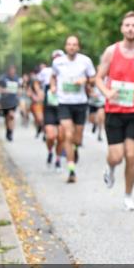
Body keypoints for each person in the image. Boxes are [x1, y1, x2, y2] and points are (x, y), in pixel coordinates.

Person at [96, 11, 134, 211]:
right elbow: (98, 78)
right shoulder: (111, 52)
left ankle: (128, 196)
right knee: (117, 156)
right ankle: (111, 167)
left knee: (132, 155)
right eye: (127, 25)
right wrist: (106, 92)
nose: (130, 28)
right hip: (114, 111)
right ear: (122, 28)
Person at [52, 36, 96, 184]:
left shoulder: (86, 61)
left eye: (74, 45)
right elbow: (53, 76)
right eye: (69, 44)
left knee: (77, 138)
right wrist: (53, 86)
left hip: (80, 103)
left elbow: (93, 78)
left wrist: (84, 80)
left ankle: (75, 148)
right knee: (67, 135)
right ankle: (71, 170)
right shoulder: (58, 62)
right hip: (64, 102)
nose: (71, 47)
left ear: (78, 47)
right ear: (65, 46)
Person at [40, 51, 64, 169]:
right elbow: (35, 82)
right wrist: (39, 93)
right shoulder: (46, 71)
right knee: (50, 136)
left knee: (60, 137)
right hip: (49, 105)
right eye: (55, 58)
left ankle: (58, 158)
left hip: (63, 106)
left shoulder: (67, 72)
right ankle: (50, 151)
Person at [0, 64, 21, 141]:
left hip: (13, 101)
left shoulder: (17, 78)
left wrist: (19, 92)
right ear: (8, 71)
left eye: (13, 70)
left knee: (11, 116)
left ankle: (11, 132)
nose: (12, 72)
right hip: (5, 101)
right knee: (7, 117)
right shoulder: (3, 78)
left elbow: (20, 89)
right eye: (11, 70)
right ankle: (8, 130)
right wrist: (5, 90)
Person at [29, 66, 46, 136]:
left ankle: (45, 132)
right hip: (37, 102)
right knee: (39, 118)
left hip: (46, 102)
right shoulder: (34, 80)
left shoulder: (49, 78)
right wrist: (34, 97)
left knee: (45, 118)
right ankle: (39, 128)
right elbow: (29, 91)